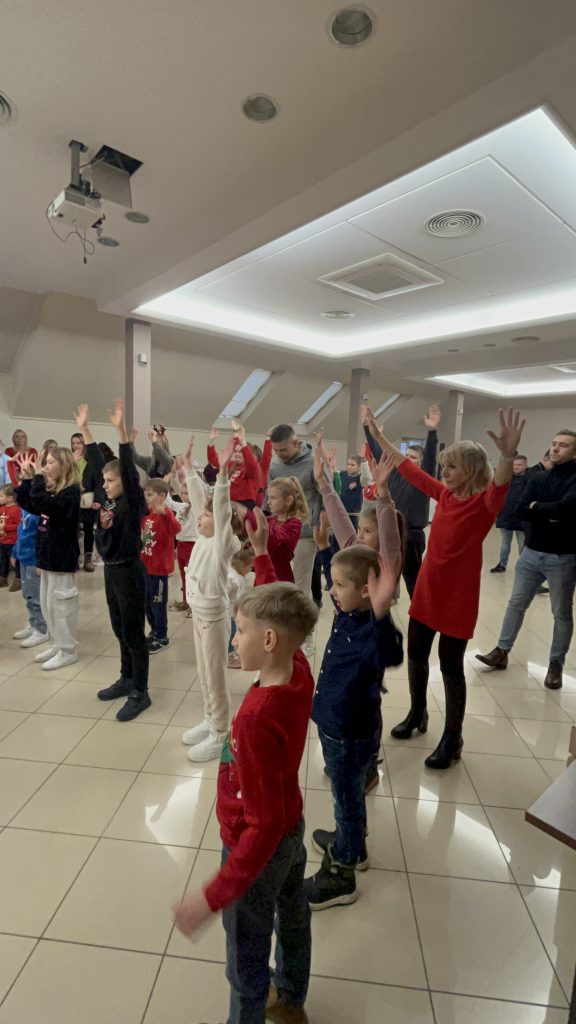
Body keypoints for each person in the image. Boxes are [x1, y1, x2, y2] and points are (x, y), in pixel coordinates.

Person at [173, 508, 318, 1024]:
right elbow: (282, 605)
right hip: (293, 826)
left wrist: (214, 893)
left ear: (269, 640)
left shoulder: (257, 719)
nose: (235, 640)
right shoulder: (298, 668)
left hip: (254, 845)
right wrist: (260, 553)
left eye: (239, 632)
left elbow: (263, 824)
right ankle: (292, 996)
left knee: (246, 958)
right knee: (293, 913)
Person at [365, 406, 524, 769]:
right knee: (417, 654)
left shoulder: (484, 504)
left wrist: (507, 456)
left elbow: (500, 484)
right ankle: (417, 712)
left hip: (457, 597)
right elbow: (405, 467)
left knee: (451, 666)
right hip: (428, 589)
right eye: (444, 466)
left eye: (452, 467)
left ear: (471, 470)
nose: (444, 472)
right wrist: (377, 435)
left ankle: (453, 738)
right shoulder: (445, 495)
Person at [304, 467, 403, 910]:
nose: (331, 591)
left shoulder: (371, 626)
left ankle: (342, 871)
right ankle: (353, 843)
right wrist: (327, 542)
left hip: (349, 729)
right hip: (341, 723)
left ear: (368, 592)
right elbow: (349, 549)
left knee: (346, 799)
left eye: (339, 586)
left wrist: (381, 614)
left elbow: (392, 653)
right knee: (348, 793)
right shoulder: (349, 610)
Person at [477, 428, 576, 690]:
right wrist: (547, 512)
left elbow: (567, 509)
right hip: (531, 553)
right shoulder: (538, 478)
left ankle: (555, 664)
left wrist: (538, 508)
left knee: (561, 613)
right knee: (516, 604)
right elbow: (520, 509)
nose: (555, 448)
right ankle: (501, 651)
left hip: (562, 557)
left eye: (563, 445)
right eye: (554, 443)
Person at [75, 401, 151, 721]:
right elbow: (96, 462)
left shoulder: (131, 501)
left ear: (124, 483)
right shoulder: (108, 498)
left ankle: (141, 691)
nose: (104, 486)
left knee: (133, 633)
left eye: (110, 481)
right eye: (104, 481)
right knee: (119, 629)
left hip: (129, 571)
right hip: (111, 571)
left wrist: (121, 433)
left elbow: (128, 472)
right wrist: (85, 429)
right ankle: (126, 677)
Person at [181, 435, 243, 762]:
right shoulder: (203, 538)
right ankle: (209, 718)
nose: (200, 518)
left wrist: (222, 478)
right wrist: (189, 470)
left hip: (215, 619)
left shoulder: (222, 543)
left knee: (216, 677)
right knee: (203, 673)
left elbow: (219, 510)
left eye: (206, 517)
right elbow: (198, 501)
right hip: (198, 616)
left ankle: (221, 733)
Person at [15, 446, 81, 672]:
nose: (46, 467)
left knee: (62, 608)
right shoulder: (53, 492)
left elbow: (46, 505)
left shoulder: (70, 492)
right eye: (46, 462)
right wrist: (27, 480)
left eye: (51, 462)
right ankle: (57, 644)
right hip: (47, 560)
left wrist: (37, 477)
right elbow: (29, 504)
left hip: (61, 561)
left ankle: (68, 650)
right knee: (48, 606)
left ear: (64, 465)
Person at [363, 404, 440, 597]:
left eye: (413, 457)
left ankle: (420, 610)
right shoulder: (396, 475)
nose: (407, 459)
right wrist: (366, 427)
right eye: (406, 455)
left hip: (412, 537)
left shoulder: (423, 480)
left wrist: (432, 433)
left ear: (420, 462)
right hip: (392, 532)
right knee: (387, 579)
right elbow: (379, 453)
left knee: (413, 582)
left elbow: (431, 460)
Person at [141, 478, 181, 653]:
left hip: (159, 570)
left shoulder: (166, 514)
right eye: (145, 494)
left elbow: (176, 529)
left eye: (150, 494)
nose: (146, 498)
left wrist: (164, 514)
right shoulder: (147, 513)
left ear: (162, 496)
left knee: (158, 604)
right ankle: (154, 632)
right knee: (147, 603)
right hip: (145, 566)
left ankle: (162, 637)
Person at [11, 506, 48, 648]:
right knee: (27, 594)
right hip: (23, 557)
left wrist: (41, 560)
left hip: (34, 559)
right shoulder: (25, 509)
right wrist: (15, 552)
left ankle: (42, 628)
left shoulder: (41, 511)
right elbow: (21, 531)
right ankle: (34, 623)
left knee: (36, 596)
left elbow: (43, 537)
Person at [165, 462, 197, 613]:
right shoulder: (182, 507)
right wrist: (167, 481)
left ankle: (194, 605)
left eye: (188, 493)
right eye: (183, 493)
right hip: (181, 544)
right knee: (184, 576)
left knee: (193, 577)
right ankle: (185, 602)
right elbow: (168, 502)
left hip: (193, 545)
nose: (184, 496)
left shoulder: (198, 507)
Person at [207, 422, 262, 509]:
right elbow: (214, 461)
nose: (236, 454)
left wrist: (243, 442)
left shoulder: (252, 468)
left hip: (244, 506)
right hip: (229, 503)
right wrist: (211, 442)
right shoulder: (232, 464)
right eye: (235, 452)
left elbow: (251, 464)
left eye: (240, 452)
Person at [490, 455, 530, 573]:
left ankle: (524, 566)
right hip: (505, 515)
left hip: (521, 517)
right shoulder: (506, 480)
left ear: (525, 465)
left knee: (522, 543)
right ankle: (502, 564)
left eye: (519, 465)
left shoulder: (530, 480)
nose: (516, 467)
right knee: (505, 542)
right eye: (514, 465)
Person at [71, 431, 102, 573]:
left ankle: (88, 559)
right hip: (72, 499)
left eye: (79, 442)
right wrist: (72, 463)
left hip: (88, 499)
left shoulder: (92, 461)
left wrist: (98, 499)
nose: (76, 445)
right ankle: (74, 558)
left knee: (89, 530)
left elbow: (99, 481)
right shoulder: (69, 461)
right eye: (73, 443)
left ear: (84, 444)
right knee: (73, 529)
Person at [266, 476, 308, 582]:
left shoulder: (294, 523)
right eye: (268, 497)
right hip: (264, 572)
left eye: (273, 498)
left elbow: (274, 539)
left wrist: (255, 519)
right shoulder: (269, 520)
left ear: (288, 500)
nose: (268, 502)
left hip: (280, 577)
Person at [227, 547, 255, 668]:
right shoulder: (233, 578)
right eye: (250, 567)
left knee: (233, 631)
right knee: (231, 633)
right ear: (242, 565)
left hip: (233, 611)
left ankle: (231, 653)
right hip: (229, 612)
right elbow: (232, 594)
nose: (250, 570)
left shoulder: (238, 575)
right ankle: (229, 656)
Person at [0, 484, 22, 590]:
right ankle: (3, 577)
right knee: (3, 560)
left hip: (12, 541)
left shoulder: (16, 510)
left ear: (10, 498)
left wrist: (6, 527)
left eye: (1, 496)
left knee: (15, 561)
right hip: (2, 540)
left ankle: (19, 578)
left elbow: (19, 525)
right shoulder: (2, 509)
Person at [336, 454, 364, 533]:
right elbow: (332, 473)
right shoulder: (342, 474)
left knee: (351, 536)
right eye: (348, 464)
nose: (349, 467)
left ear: (359, 466)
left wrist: (364, 460)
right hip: (340, 513)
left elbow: (367, 476)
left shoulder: (361, 479)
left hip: (353, 515)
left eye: (352, 465)